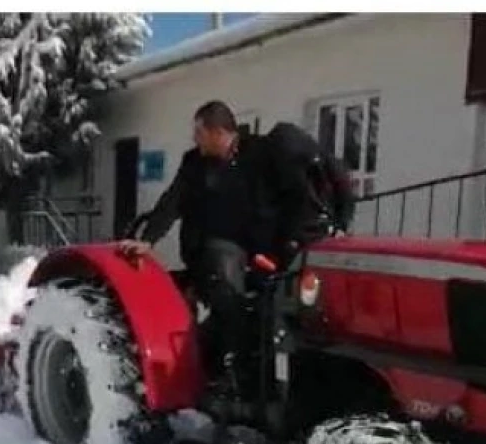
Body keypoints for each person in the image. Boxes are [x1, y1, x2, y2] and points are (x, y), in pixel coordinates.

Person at [118, 101, 355, 420]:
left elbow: (294, 200)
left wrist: (288, 247)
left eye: (199, 133)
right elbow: (172, 201)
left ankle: (278, 381)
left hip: (265, 254)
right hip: (214, 254)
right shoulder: (194, 164)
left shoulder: (261, 155)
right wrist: (148, 239)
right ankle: (235, 372)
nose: (195, 139)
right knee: (224, 267)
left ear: (219, 132)